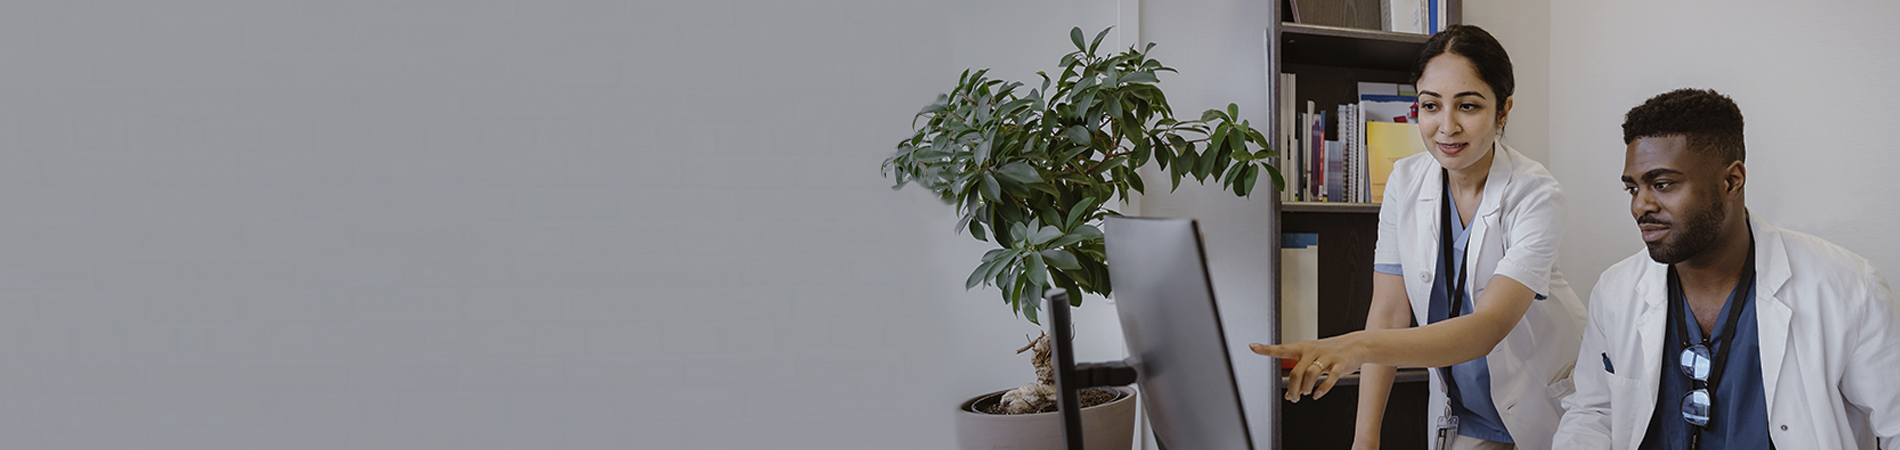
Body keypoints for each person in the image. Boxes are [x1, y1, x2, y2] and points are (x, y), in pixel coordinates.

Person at [1249, 25, 1587, 450]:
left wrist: (1356, 346)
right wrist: (1365, 438)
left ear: (1503, 112)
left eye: (1468, 106)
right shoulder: (1404, 181)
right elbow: (1389, 310)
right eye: (1431, 105)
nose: (1447, 127)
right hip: (1466, 413)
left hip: (1545, 407)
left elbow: (1488, 327)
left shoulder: (1535, 194)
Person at [1552, 88, 1900, 449]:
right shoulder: (1616, 291)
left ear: (1732, 181)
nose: (1641, 205)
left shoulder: (1849, 288)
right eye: (1633, 189)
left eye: (1663, 184)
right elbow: (1593, 413)